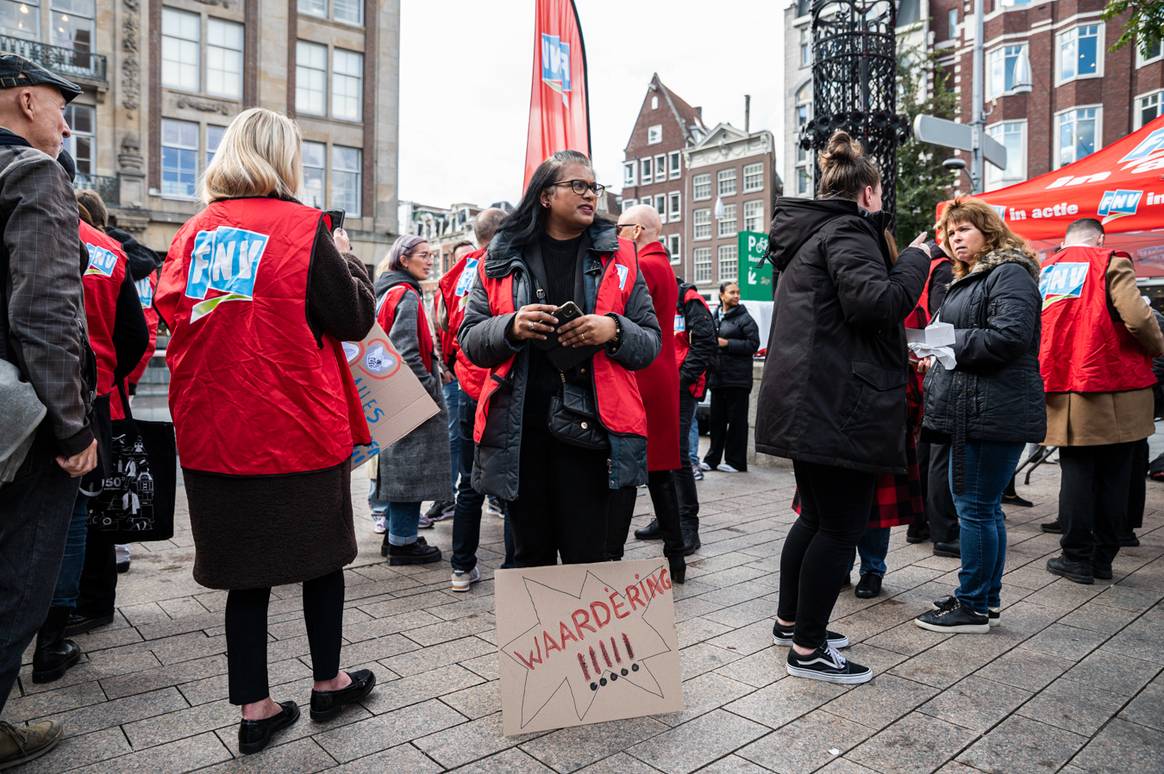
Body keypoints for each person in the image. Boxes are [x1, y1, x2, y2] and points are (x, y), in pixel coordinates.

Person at [154, 108, 378, 755]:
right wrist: (348, 260)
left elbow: (172, 312)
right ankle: (329, 682)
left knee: (245, 576)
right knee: (322, 563)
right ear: (285, 160)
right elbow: (354, 317)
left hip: (217, 432)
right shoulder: (304, 229)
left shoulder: (194, 233)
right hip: (297, 427)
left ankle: (256, 708)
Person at [756, 130, 930, 684]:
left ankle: (792, 623)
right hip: (839, 405)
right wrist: (918, 258)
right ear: (871, 192)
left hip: (810, 403)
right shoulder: (849, 232)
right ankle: (808, 650)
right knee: (841, 527)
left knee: (815, 518)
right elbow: (877, 303)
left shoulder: (813, 233)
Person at [459, 150, 660, 567]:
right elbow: (470, 340)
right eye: (579, 186)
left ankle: (585, 637)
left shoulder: (622, 257)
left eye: (594, 187)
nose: (591, 195)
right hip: (521, 433)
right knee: (530, 561)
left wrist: (614, 329)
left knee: (589, 561)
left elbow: (651, 342)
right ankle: (538, 637)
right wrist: (511, 327)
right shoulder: (499, 257)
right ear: (546, 196)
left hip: (593, 437)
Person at [0, 54, 95, 767]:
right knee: (21, 580)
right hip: (21, 419)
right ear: (26, 100)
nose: (66, 124)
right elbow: (45, 313)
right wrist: (71, 426)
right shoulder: (32, 174)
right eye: (62, 108)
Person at [31, 188, 147, 685]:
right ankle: (54, 640)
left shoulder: (30, 229)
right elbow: (136, 336)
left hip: (21, 387)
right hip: (89, 394)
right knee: (77, 510)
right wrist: (105, 376)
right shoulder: (108, 249)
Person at [913, 197, 1045, 634]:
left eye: (964, 229)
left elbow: (1009, 336)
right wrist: (936, 353)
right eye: (950, 233)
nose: (955, 238)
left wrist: (949, 345)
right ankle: (983, 599)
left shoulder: (1009, 273)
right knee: (983, 509)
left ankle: (971, 605)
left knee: (974, 509)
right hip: (974, 405)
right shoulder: (970, 277)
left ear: (989, 231)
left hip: (990, 409)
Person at [1036, 218, 1163, 584]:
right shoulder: (1111, 262)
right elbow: (1139, 319)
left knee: (1075, 473)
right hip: (1115, 385)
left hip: (1063, 386)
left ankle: (1075, 557)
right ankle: (1103, 558)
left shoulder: (1046, 271)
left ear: (1065, 241)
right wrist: (1157, 347)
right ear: (1101, 238)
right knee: (1116, 475)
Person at [607, 204, 686, 579]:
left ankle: (611, 555)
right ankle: (676, 555)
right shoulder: (664, 266)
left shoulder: (642, 266)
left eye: (620, 228)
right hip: (662, 374)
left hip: (642, 375)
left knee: (628, 469)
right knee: (661, 471)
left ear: (636, 230)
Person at [439, 208, 508, 590]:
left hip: (466, 383)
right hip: (499, 383)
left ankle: (461, 567)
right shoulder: (504, 266)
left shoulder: (457, 272)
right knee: (513, 480)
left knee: (469, 481)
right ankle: (517, 568)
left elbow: (448, 324)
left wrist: (452, 362)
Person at [371, 235, 450, 565]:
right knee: (410, 470)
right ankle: (403, 543)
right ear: (403, 259)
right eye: (423, 255)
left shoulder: (388, 290)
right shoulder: (406, 294)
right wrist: (430, 387)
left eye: (432, 254)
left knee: (398, 467)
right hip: (411, 395)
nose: (430, 260)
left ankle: (395, 536)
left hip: (391, 390)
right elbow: (406, 351)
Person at [638, 273, 716, 551]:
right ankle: (665, 519)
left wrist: (681, 380)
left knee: (678, 455)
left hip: (680, 387)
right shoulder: (653, 297)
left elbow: (706, 342)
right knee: (658, 454)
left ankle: (687, 528)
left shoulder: (689, 299)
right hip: (661, 385)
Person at [904, 244, 956, 551]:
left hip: (911, 365)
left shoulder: (918, 267)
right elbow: (942, 321)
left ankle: (917, 522)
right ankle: (939, 528)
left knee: (922, 451)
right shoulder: (942, 268)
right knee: (934, 451)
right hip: (927, 369)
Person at [426, 239, 477, 528]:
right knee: (454, 437)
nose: (465, 264)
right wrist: (443, 365)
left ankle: (485, 494)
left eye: (469, 258)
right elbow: (437, 327)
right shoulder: (447, 289)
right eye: (460, 259)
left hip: (473, 369)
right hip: (453, 371)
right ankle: (447, 497)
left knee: (469, 435)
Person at [701, 281, 759, 473]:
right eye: (732, 292)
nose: (736, 295)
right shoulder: (715, 317)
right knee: (716, 422)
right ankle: (712, 460)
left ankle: (736, 462)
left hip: (738, 379)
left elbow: (753, 345)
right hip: (718, 378)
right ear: (722, 295)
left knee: (737, 421)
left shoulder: (745, 319)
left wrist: (728, 343)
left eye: (738, 292)